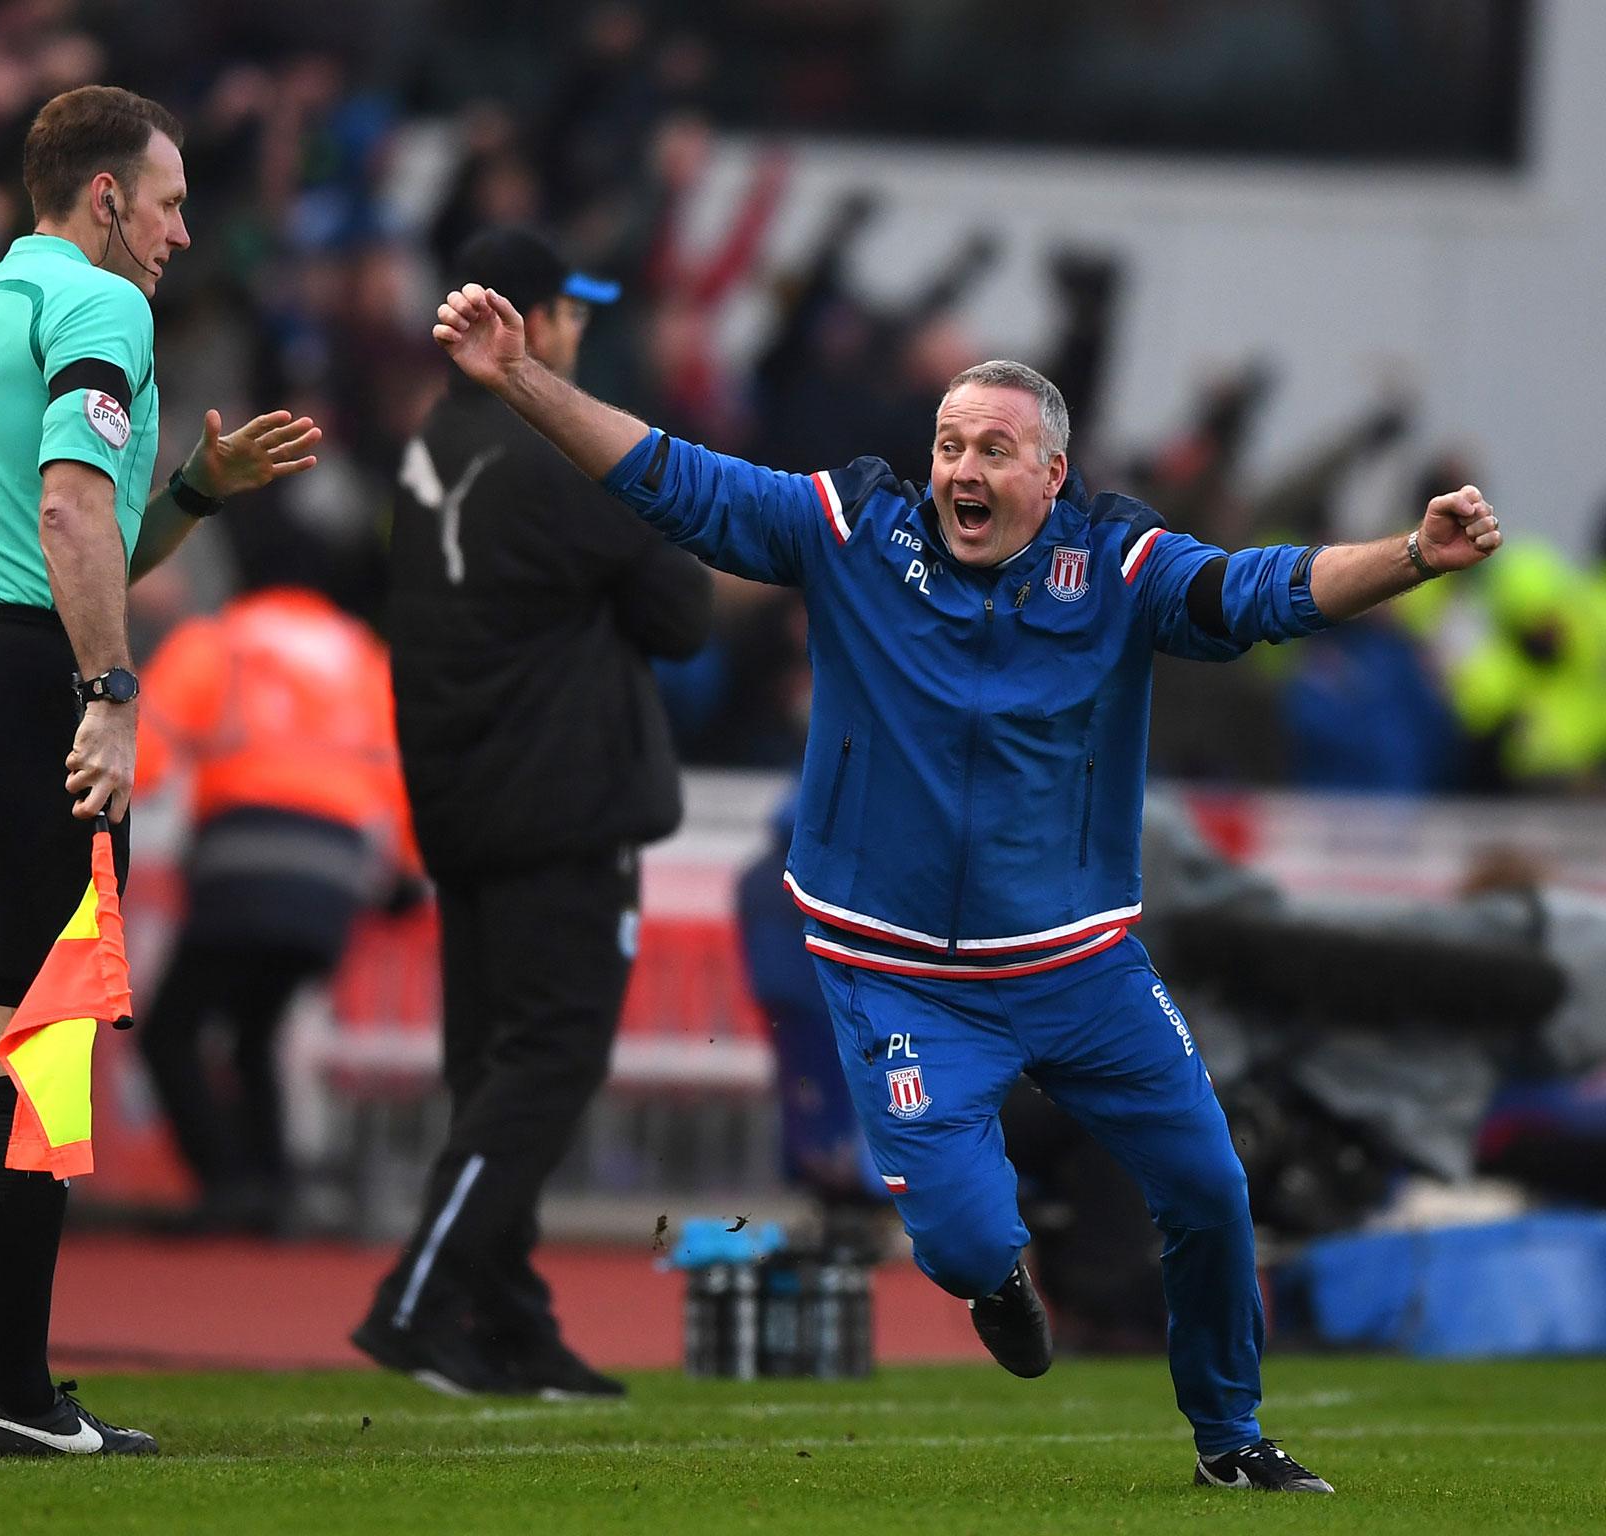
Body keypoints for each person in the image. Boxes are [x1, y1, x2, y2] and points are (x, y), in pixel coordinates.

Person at [421, 278, 1502, 1489]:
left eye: (992, 449)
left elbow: (1255, 592)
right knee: (961, 1236)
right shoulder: (848, 529)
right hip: (898, 976)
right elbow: (677, 479)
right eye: (946, 445)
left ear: (1050, 474)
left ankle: (1229, 1438)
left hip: (1078, 966)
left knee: (1208, 1185)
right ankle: (995, 1279)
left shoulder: (1119, 562)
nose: (959, 470)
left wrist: (1412, 556)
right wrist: (519, 380)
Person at [0, 85, 320, 1458]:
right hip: (17, 685)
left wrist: (188, 497)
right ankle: (25, 1396)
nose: (184, 232)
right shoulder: (105, 306)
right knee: (45, 1046)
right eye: (170, 202)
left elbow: (65, 521)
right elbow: (63, 512)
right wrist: (113, 694)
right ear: (107, 197)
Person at [351, 228, 713, 1398]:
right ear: (533, 321)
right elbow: (682, 612)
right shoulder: (555, 454)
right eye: (569, 310)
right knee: (551, 1057)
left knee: (491, 1071)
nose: (580, 329)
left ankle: (506, 1317)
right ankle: (418, 1298)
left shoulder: (430, 443)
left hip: (460, 808)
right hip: (563, 809)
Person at [134, 530, 418, 1235]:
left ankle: (228, 1185)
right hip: (333, 879)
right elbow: (404, 778)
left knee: (169, 1032)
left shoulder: (220, 640)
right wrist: (407, 872)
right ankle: (271, 1188)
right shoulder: (363, 658)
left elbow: (144, 751)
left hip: (241, 861)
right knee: (256, 1029)